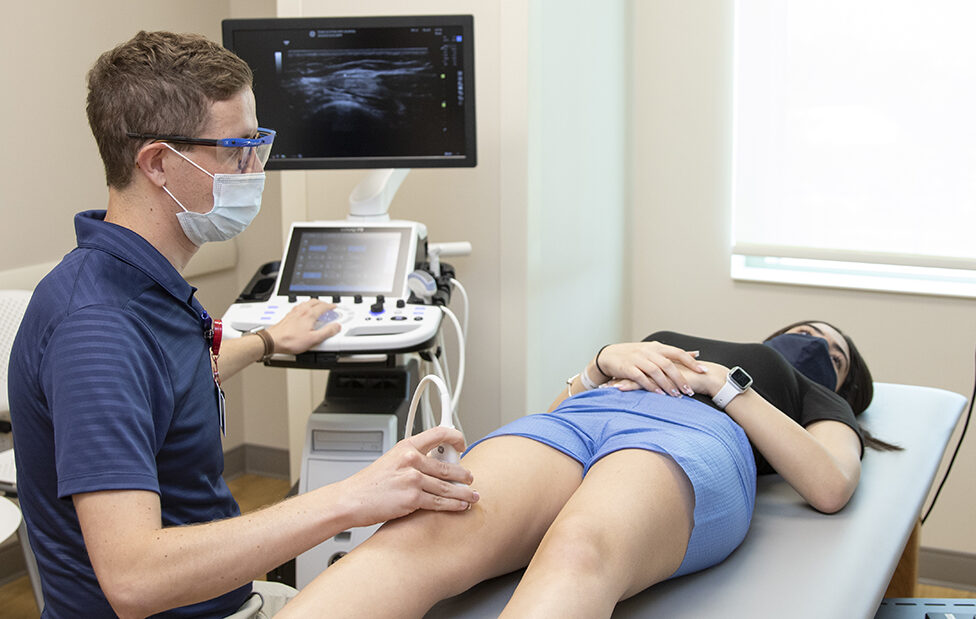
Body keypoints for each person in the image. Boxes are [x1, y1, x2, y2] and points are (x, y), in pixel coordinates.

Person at [7, 31, 478, 618]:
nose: (255, 168)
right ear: (158, 162)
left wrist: (266, 341)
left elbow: (164, 385)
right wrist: (352, 496)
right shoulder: (99, 330)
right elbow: (134, 578)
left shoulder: (132, 280)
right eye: (236, 149)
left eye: (258, 142)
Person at [278, 320, 896, 618]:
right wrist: (599, 365)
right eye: (805, 331)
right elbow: (554, 417)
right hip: (580, 417)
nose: (814, 341)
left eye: (834, 349)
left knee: (577, 548)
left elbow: (830, 484)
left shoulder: (812, 396)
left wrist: (725, 386)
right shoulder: (671, 335)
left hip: (694, 433)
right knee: (422, 532)